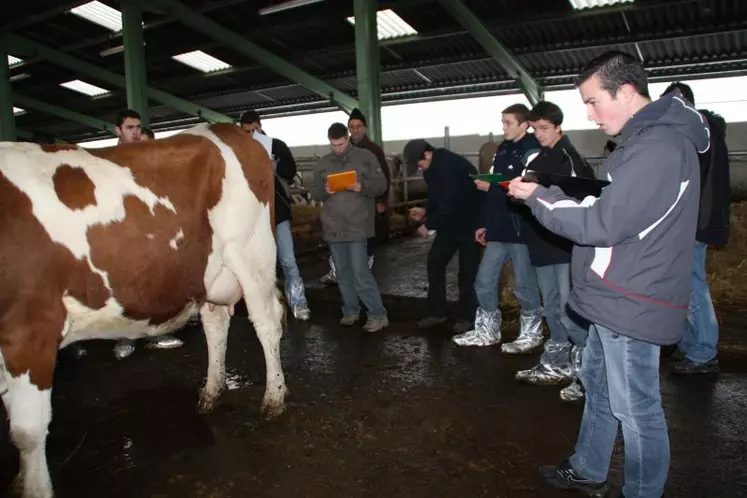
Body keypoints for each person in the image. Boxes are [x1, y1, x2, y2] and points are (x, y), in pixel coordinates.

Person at [508, 51, 710, 497]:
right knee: (598, 386)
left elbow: (603, 224)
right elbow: (611, 207)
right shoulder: (643, 144)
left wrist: (541, 200)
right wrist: (551, 191)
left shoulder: (657, 148)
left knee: (637, 409)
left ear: (627, 91)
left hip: (633, 297)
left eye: (594, 101)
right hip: (616, 292)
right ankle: (589, 466)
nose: (590, 114)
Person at [69, 109, 184, 361]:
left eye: (138, 127)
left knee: (153, 282)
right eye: (130, 127)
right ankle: (125, 337)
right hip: (119, 229)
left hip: (148, 228)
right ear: (117, 130)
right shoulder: (106, 159)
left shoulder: (147, 156)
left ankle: (156, 331)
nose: (136, 132)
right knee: (124, 286)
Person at [513, 101, 595, 403]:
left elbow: (582, 199)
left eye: (544, 128)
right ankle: (557, 364)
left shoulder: (568, 157)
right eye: (535, 129)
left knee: (570, 311)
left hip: (562, 245)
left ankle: (589, 374)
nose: (539, 134)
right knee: (553, 309)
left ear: (558, 126)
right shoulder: (541, 157)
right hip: (543, 241)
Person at [451, 103, 544, 348]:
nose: (503, 128)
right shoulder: (503, 149)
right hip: (499, 228)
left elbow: (526, 187)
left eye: (508, 123)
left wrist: (492, 185)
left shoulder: (532, 150)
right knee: (483, 281)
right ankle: (487, 331)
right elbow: (496, 189)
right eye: (502, 122)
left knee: (524, 285)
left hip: (521, 228)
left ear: (524, 124)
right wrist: (484, 223)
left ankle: (531, 334)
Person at [660, 82, 731, 375]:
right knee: (684, 286)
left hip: (693, 224)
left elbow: (692, 184)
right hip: (693, 222)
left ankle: (703, 352)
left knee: (693, 287)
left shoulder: (698, 133)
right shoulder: (703, 131)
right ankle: (691, 345)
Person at [311, 123, 389, 332]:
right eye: (334, 144)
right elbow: (315, 192)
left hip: (358, 225)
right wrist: (325, 189)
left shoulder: (365, 157)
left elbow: (381, 184)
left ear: (348, 138)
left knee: (360, 272)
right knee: (343, 274)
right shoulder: (324, 163)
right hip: (334, 226)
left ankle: (377, 315)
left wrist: (363, 187)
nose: (338, 148)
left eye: (341, 143)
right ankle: (351, 311)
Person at [239, 110, 311, 321]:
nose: (251, 134)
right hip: (251, 214)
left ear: (260, 126)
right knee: (257, 262)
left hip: (276, 211)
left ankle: (299, 302)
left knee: (287, 258)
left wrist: (275, 167)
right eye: (247, 131)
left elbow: (291, 171)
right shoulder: (239, 150)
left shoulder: (276, 145)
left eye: (254, 129)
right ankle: (263, 307)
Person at [404, 139, 482, 333]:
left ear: (427, 154)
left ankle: (467, 317)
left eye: (419, 163)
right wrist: (425, 210)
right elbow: (436, 197)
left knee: (467, 271)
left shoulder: (450, 166)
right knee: (435, 262)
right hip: (451, 223)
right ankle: (436, 312)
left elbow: (450, 202)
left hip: (470, 222)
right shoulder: (432, 168)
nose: (419, 168)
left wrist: (428, 225)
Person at [320, 108, 391, 284]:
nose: (355, 130)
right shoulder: (342, 148)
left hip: (365, 200)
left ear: (364, 128)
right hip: (341, 204)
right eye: (352, 126)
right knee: (342, 238)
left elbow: (384, 177)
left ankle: (364, 270)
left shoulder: (373, 150)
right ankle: (339, 271)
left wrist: (381, 200)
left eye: (359, 126)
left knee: (366, 235)